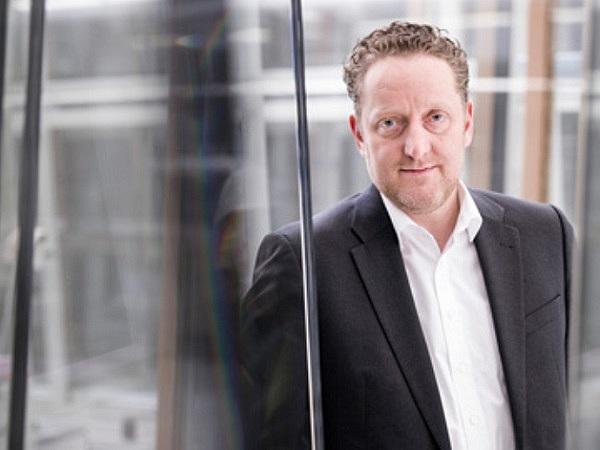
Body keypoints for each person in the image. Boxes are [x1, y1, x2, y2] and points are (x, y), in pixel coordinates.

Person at [241, 21, 573, 450]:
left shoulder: (545, 234)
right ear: (359, 134)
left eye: (435, 118)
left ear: (467, 122)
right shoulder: (303, 262)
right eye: (390, 123)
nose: (416, 146)